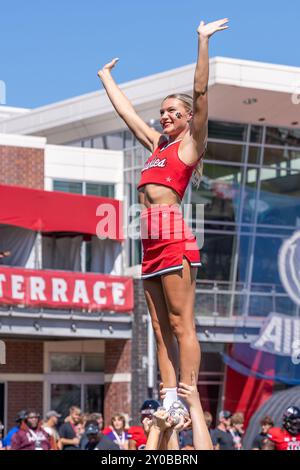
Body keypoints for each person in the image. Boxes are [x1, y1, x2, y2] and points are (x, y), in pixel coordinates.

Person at [97, 18, 229, 411]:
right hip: (148, 238)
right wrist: (106, 77)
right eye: (162, 112)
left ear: (188, 117)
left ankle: (188, 398)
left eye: (172, 111)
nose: (164, 116)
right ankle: (168, 398)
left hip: (173, 234)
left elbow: (201, 91)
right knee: (157, 328)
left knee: (179, 323)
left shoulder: (190, 145)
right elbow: (128, 116)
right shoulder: (157, 145)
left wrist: (202, 41)